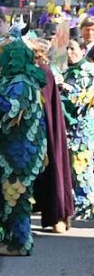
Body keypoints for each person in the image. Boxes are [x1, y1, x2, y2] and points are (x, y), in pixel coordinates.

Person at [0, 8, 48, 256]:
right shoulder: (12, 80)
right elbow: (1, 92)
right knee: (7, 197)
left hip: (20, 155)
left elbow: (9, 108)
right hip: (8, 152)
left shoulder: (22, 84)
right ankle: (11, 239)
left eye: (4, 57)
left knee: (17, 199)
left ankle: (22, 244)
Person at [28, 36, 75, 234]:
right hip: (40, 128)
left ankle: (58, 215)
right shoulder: (42, 71)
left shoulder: (42, 72)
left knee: (52, 169)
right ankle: (56, 215)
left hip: (44, 129)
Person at [62, 38, 94, 219]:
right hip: (68, 128)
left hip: (83, 129)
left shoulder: (89, 71)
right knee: (72, 169)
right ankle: (76, 204)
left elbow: (83, 99)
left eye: (72, 48)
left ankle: (86, 207)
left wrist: (65, 89)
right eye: (66, 48)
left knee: (82, 166)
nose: (69, 52)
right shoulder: (65, 70)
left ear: (82, 50)